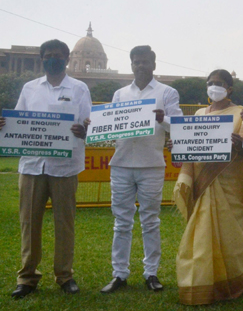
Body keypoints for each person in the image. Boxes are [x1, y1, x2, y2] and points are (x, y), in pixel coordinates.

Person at [2, 39, 91, 299]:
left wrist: (85, 130)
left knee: (64, 222)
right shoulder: (29, 88)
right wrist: (5, 126)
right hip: (32, 165)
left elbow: (91, 123)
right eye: (48, 55)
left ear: (67, 58)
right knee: (29, 222)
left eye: (58, 55)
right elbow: (17, 122)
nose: (53, 59)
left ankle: (64, 275)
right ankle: (27, 277)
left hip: (65, 165)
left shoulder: (79, 88)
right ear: (42, 59)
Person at [99, 45, 182, 294]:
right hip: (122, 163)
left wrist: (162, 119)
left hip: (152, 164)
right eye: (136, 62)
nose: (140, 66)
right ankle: (119, 274)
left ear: (154, 64)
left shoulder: (167, 92)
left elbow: (177, 125)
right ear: (131, 65)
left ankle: (151, 273)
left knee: (150, 220)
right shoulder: (120, 94)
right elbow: (110, 126)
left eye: (145, 61)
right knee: (121, 222)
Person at [172, 69, 243, 305]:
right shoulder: (199, 113)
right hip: (202, 183)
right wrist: (175, 145)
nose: (214, 86)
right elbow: (189, 146)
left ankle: (230, 284)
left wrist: (242, 145)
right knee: (199, 237)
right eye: (210, 83)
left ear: (229, 89)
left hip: (229, 185)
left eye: (219, 83)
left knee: (229, 238)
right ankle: (198, 285)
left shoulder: (241, 114)